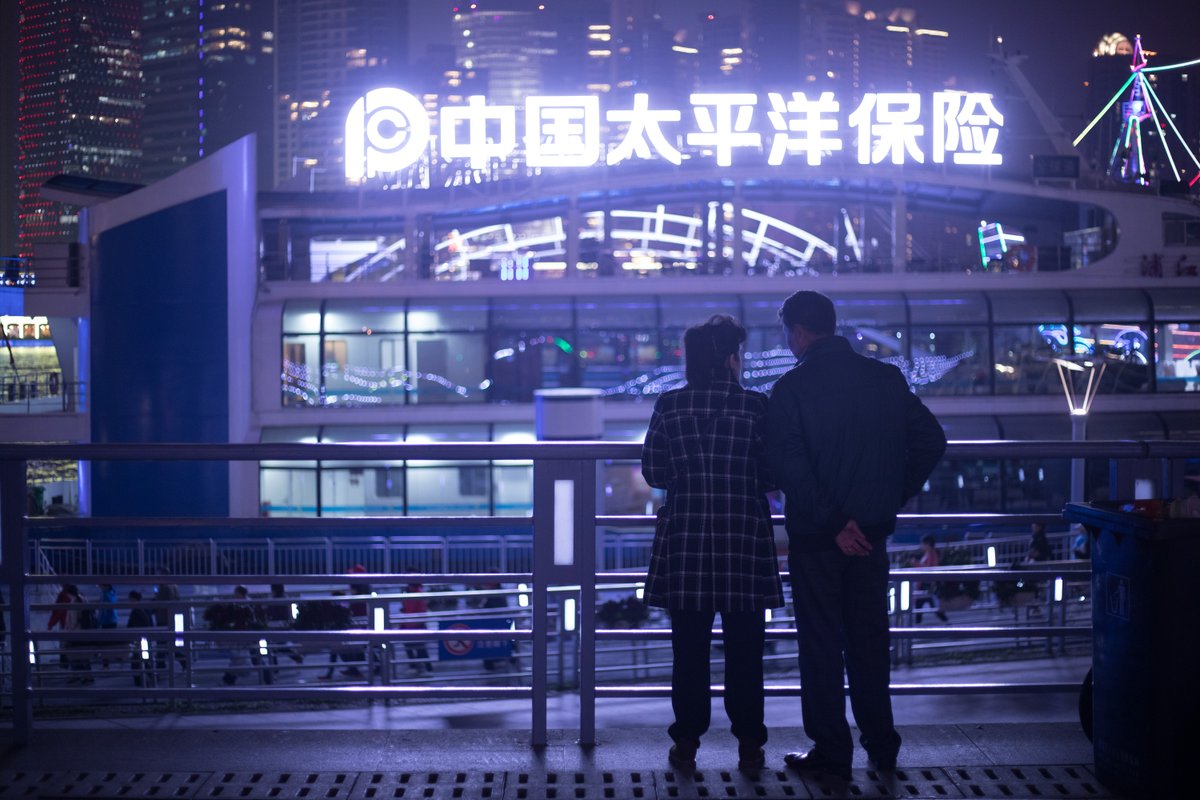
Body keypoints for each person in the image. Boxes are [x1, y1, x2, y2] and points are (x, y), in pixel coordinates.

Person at [766, 290, 946, 779]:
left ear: (799, 332)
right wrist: (889, 497)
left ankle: (831, 751)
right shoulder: (885, 379)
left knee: (821, 647)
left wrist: (833, 523)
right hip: (870, 539)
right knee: (869, 644)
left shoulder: (790, 390)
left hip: (817, 543)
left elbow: (791, 470)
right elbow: (932, 440)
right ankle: (882, 744)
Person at [641, 314, 783, 773]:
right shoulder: (756, 407)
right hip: (742, 539)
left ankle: (686, 742)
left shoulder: (669, 405)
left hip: (687, 542)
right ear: (729, 358)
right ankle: (750, 745)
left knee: (689, 651)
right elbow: (772, 473)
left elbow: (654, 472)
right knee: (746, 652)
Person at [909, 535, 948, 623]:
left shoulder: (931, 554)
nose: (921, 546)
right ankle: (945, 621)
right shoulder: (929, 553)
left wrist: (915, 563)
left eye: (922, 544)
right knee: (925, 605)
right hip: (926, 583)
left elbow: (928, 568)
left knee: (923, 604)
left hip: (926, 584)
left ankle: (917, 625)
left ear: (928, 544)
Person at [401, 581, 433, 674]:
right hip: (412, 624)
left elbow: (414, 610)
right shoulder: (413, 593)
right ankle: (424, 667)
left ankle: (422, 667)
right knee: (418, 647)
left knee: (417, 647)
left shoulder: (416, 594)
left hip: (413, 624)